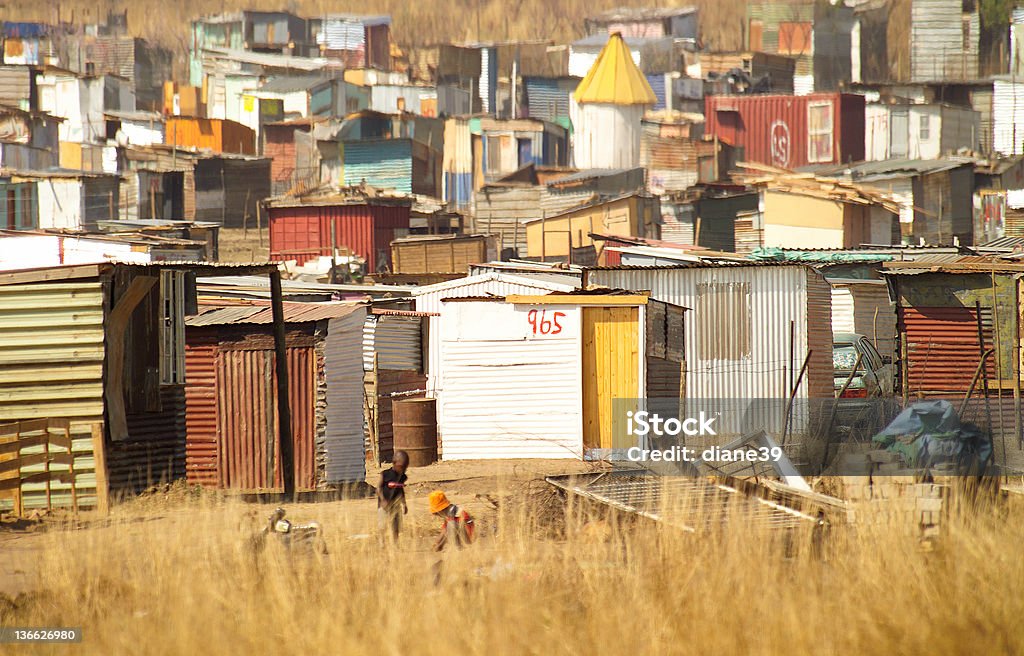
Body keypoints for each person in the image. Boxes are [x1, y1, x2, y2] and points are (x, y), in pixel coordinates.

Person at [377, 451, 409, 542]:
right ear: (395, 463)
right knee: (382, 526)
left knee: (396, 527)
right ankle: (381, 545)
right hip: (384, 505)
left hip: (396, 505)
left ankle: (395, 545)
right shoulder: (385, 474)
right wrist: (383, 500)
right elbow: (378, 488)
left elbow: (401, 491)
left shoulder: (402, 477)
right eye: (401, 466)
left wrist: (404, 504)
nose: (403, 469)